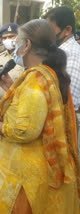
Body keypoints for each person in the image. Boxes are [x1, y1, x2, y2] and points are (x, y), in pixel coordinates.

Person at [0, 19, 80, 214]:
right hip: (35, 171)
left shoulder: (35, 79)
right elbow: (32, 110)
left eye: (17, 42)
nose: (14, 47)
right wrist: (9, 87)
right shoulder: (47, 74)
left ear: (27, 44)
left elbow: (24, 131)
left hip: (24, 178)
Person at [44, 7, 80, 155]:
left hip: (64, 127)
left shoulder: (72, 55)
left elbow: (70, 99)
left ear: (67, 30)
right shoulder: (58, 53)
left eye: (50, 31)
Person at [0, 23, 24, 99]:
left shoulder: (25, 58)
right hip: (2, 101)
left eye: (11, 36)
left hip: (18, 101)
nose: (7, 40)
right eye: (4, 38)